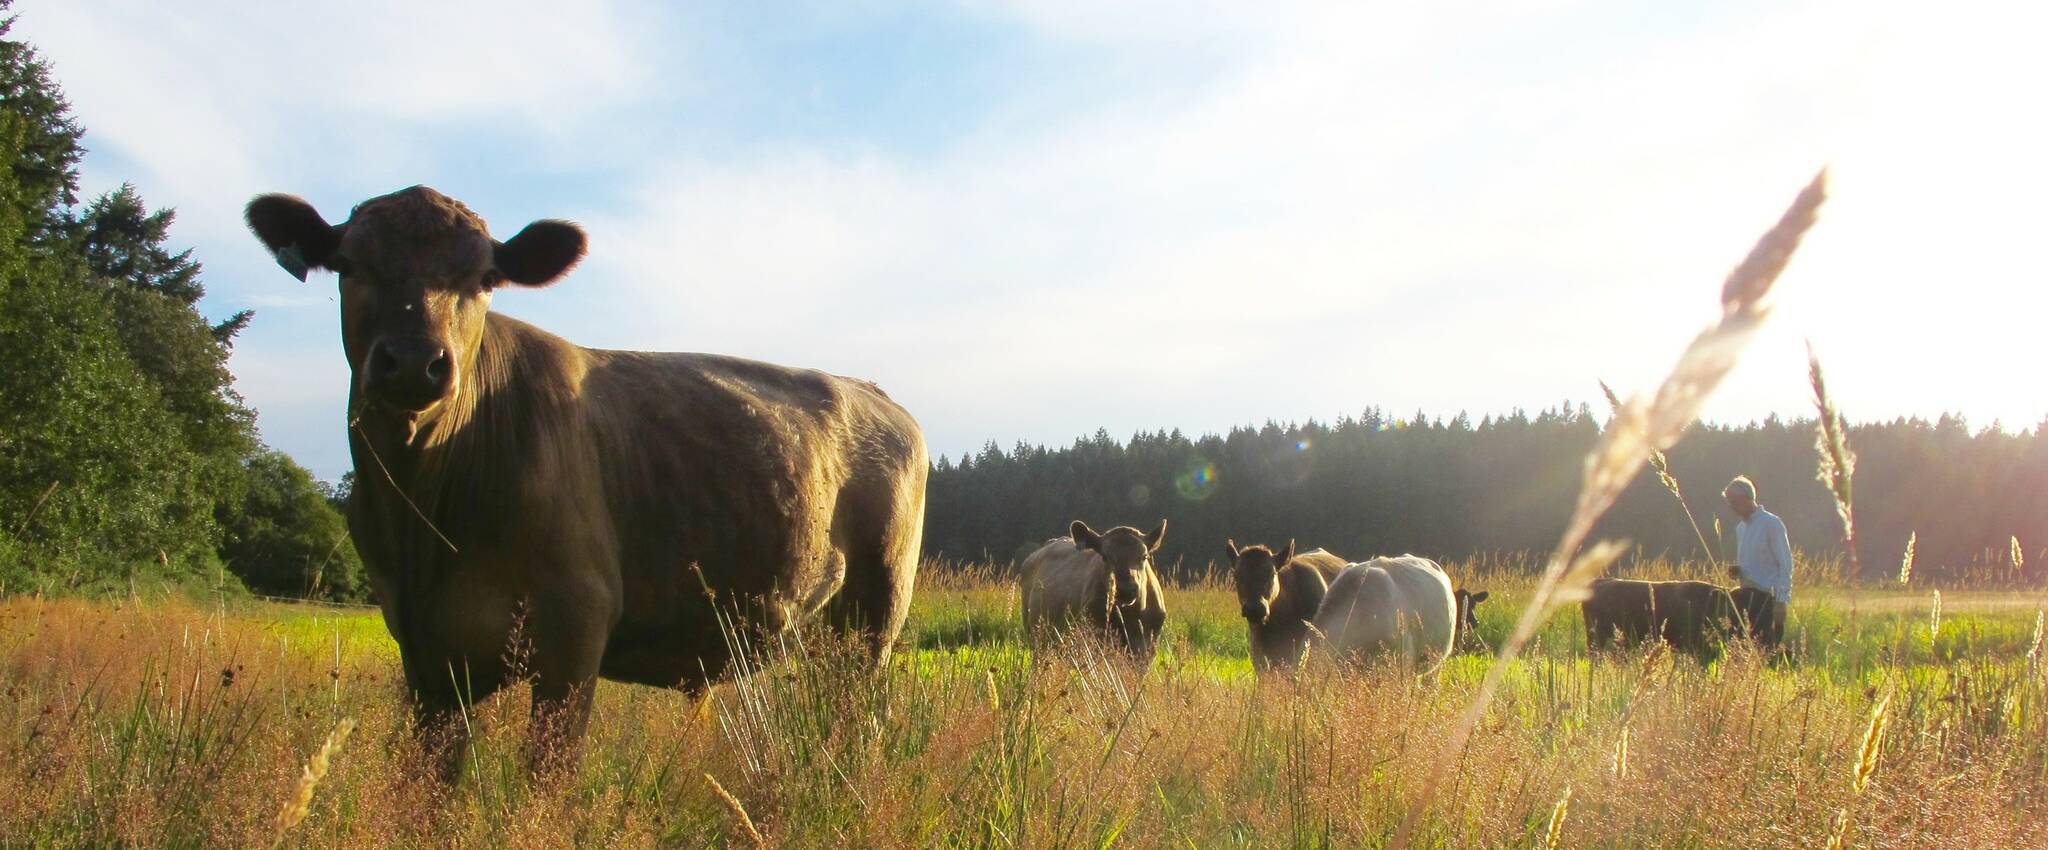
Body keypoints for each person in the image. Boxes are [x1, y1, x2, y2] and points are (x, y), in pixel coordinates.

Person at [1724, 475, 1792, 649]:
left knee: (1765, 650)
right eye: (1729, 502)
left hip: (1767, 599)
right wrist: (1739, 570)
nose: (1731, 507)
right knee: (1741, 650)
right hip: (1746, 597)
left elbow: (1785, 563)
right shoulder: (1741, 529)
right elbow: (1754, 564)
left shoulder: (1771, 523)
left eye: (1734, 502)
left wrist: (1781, 601)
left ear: (1747, 498)